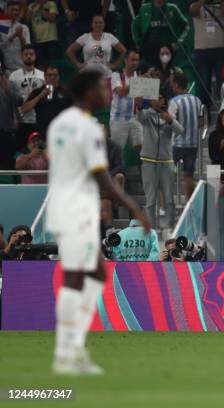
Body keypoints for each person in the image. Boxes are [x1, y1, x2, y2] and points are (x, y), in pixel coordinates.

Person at [46, 69, 150, 375]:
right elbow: (101, 175)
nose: (107, 92)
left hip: (63, 203)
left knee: (91, 273)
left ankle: (70, 347)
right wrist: (134, 207)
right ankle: (68, 351)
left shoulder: (59, 124)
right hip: (78, 206)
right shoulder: (89, 127)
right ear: (88, 91)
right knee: (82, 276)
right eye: (102, 88)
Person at [136, 93, 182, 230]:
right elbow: (140, 118)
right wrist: (138, 105)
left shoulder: (169, 115)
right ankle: (152, 229)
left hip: (166, 160)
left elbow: (180, 130)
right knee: (150, 199)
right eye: (155, 98)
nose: (158, 101)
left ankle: (170, 227)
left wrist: (170, 121)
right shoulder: (147, 114)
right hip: (148, 160)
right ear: (150, 101)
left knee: (168, 197)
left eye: (161, 98)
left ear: (164, 101)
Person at [190, 0, 224, 106]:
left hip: (219, 51)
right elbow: (193, 10)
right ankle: (206, 114)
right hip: (201, 51)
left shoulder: (222, 7)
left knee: (221, 84)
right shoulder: (196, 6)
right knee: (204, 85)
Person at [170, 71, 205, 198]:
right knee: (188, 175)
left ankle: (164, 205)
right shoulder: (197, 100)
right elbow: (201, 122)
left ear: (176, 84)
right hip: (193, 144)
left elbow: (170, 122)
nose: (171, 87)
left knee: (165, 173)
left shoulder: (174, 101)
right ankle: (189, 205)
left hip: (176, 143)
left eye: (172, 84)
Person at [131, 0, 191, 66]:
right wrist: (138, 41)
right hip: (150, 49)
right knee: (152, 72)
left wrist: (178, 42)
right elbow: (134, 25)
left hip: (169, 48)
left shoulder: (172, 8)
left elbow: (185, 25)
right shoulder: (144, 8)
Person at [8, 45, 44, 153]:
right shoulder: (14, 76)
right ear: (21, 56)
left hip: (37, 119)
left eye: (31, 54)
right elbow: (10, 100)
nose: (28, 56)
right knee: (20, 151)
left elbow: (48, 97)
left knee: (38, 151)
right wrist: (13, 118)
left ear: (35, 56)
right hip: (21, 120)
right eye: (26, 54)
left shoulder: (42, 75)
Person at [21, 65, 72, 138]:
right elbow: (24, 109)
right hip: (42, 133)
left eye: (55, 75)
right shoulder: (37, 92)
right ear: (45, 77)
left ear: (58, 77)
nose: (52, 77)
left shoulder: (66, 92)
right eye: (49, 75)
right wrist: (40, 96)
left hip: (61, 133)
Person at [109, 50, 143, 151]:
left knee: (144, 147)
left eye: (137, 60)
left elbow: (139, 98)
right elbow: (120, 92)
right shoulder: (116, 75)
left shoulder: (138, 75)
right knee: (117, 152)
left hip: (133, 118)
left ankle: (145, 166)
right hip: (118, 120)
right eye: (132, 60)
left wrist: (140, 101)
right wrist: (136, 82)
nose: (135, 63)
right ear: (125, 60)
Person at [0, 66, 23, 171]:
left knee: (8, 165)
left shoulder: (10, 85)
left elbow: (20, 101)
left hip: (7, 131)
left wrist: (8, 91)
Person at [0, 1, 30, 72]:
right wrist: (13, 36)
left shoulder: (24, 27)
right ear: (6, 11)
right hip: (7, 69)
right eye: (12, 10)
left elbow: (28, 49)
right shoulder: (1, 27)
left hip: (22, 67)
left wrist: (20, 36)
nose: (14, 12)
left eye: (17, 10)